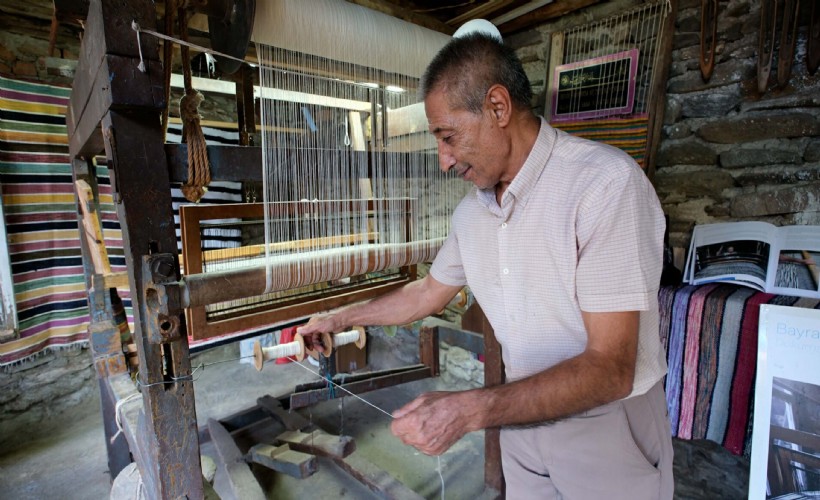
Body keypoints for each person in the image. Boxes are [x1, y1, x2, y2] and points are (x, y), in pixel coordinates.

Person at [298, 32, 673, 499]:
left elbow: (610, 369)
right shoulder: (472, 213)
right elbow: (425, 293)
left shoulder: (604, 186)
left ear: (498, 107)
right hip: (519, 420)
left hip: (607, 429)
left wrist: (469, 410)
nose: (443, 161)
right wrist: (340, 319)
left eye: (448, 137)